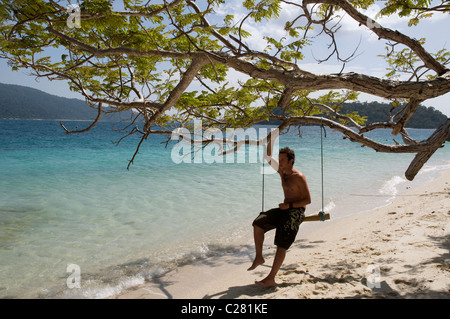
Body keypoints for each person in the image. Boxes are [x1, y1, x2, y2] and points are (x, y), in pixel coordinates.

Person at [247, 135, 311, 288]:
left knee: (281, 243)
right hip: (285, 209)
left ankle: (270, 278)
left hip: (296, 211)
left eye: (282, 160)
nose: (279, 162)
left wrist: (289, 207)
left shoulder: (299, 177)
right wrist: (273, 138)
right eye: (279, 159)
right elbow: (268, 157)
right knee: (258, 222)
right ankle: (259, 257)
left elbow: (307, 200)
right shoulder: (282, 172)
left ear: (291, 161)